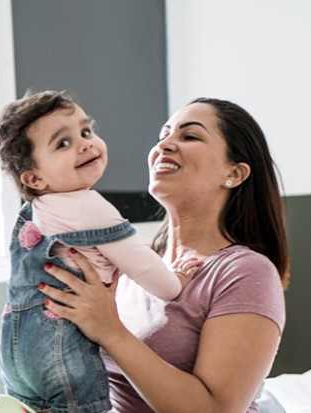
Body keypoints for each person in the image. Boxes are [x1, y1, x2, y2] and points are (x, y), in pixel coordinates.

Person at [39, 97, 289, 413]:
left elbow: (216, 410)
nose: (165, 145)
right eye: (163, 136)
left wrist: (110, 330)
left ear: (234, 173)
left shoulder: (245, 272)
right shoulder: (131, 266)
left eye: (190, 136)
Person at [0, 90, 201, 413]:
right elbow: (155, 278)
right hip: (60, 346)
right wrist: (179, 279)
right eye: (63, 143)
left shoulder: (35, 212)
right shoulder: (89, 205)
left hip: (15, 349)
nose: (85, 143)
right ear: (34, 177)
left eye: (86, 131)